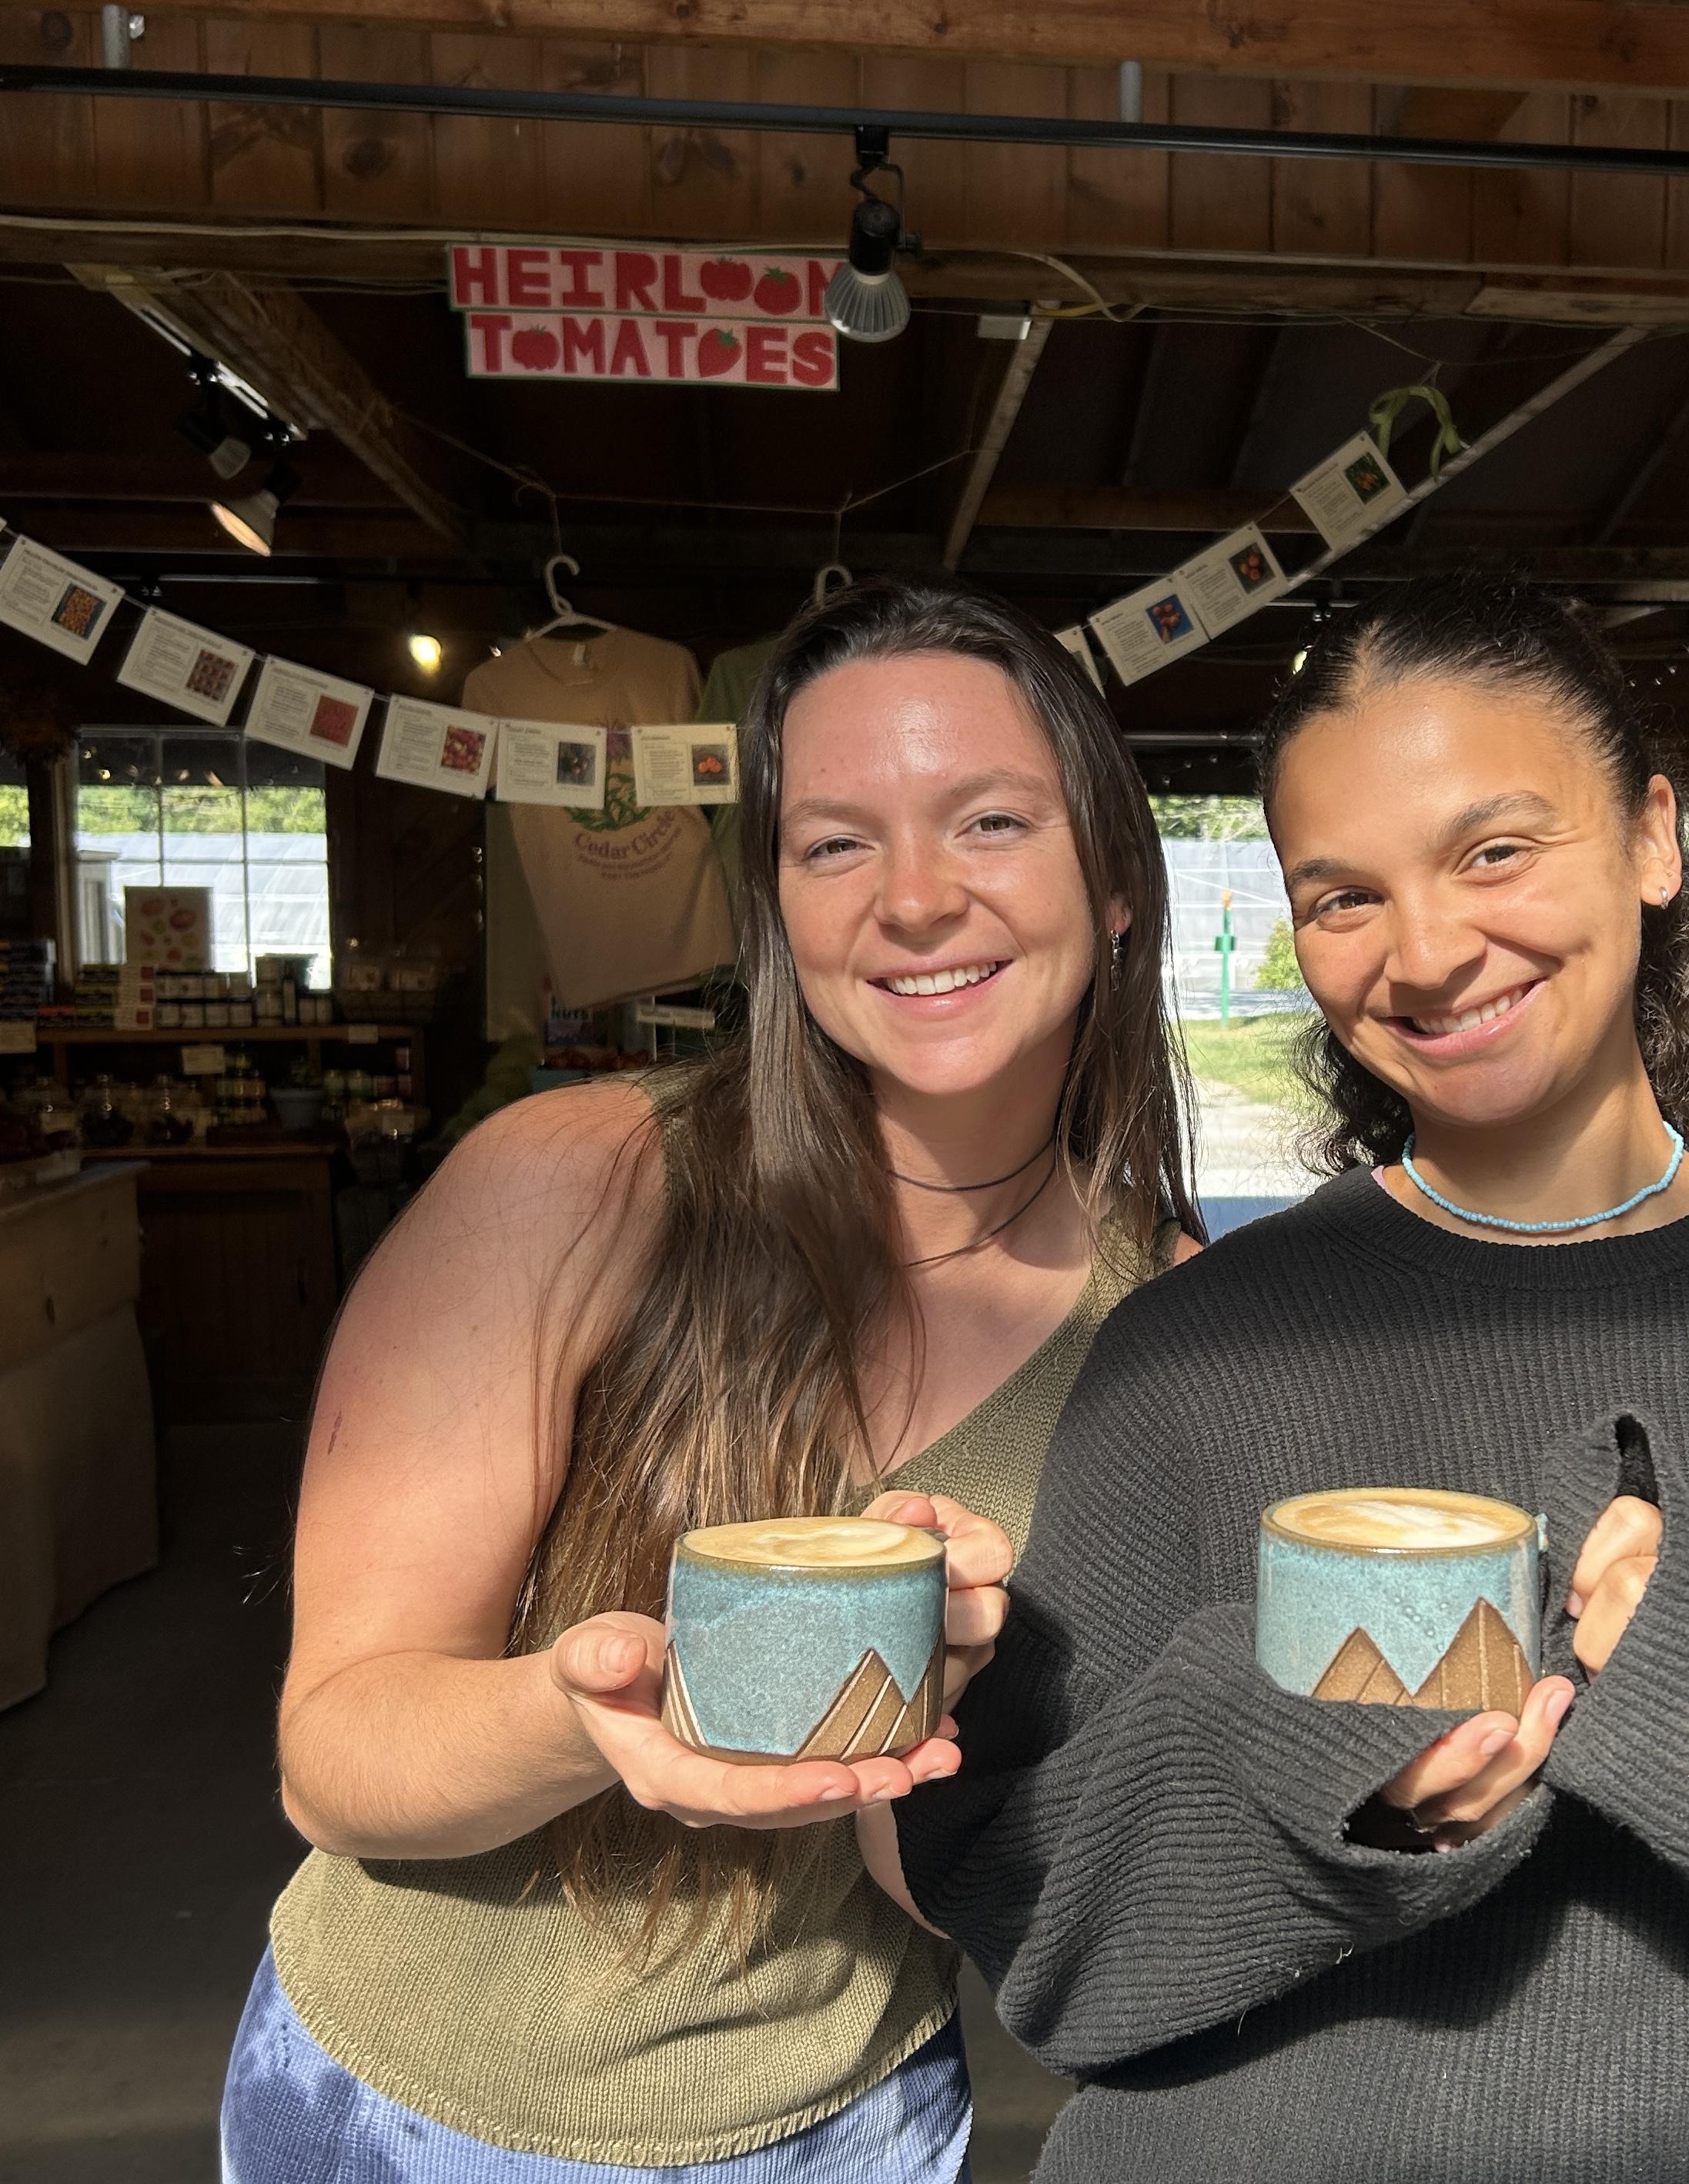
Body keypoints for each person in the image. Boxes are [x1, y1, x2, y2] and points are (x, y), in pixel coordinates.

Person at [895, 573, 1689, 2182]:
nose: (1427, 952)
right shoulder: (1200, 1355)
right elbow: (1036, 1934)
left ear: (1654, 838)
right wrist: (1326, 1772)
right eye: (1343, 895)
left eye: (1495, 850)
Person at [222, 575, 1200, 2182]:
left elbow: (968, 1860)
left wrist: (958, 1740)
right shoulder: (574, 1183)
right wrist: (585, 1716)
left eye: (991, 823)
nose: (915, 898)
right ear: (778, 908)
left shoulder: (1171, 1324)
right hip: (412, 2119)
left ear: (1114, 889)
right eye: (836, 843)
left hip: (860, 2124)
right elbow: (336, 1752)